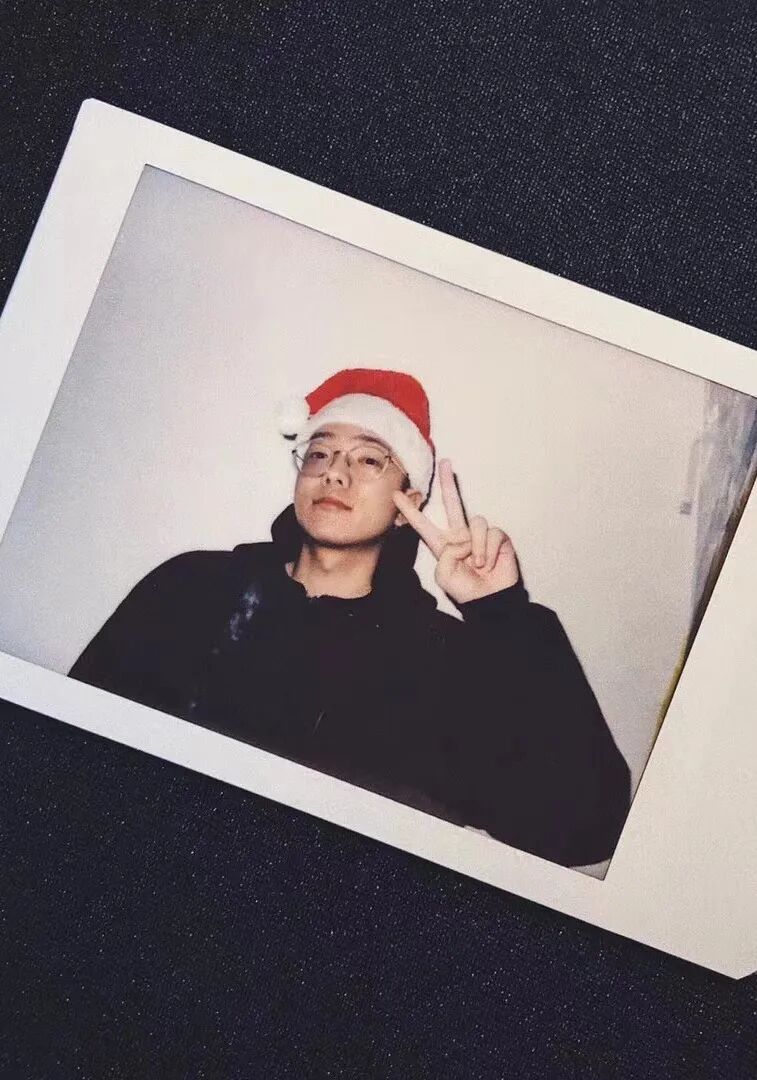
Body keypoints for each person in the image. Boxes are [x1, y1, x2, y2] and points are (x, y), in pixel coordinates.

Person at [70, 367, 631, 867]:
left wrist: (502, 616)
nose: (334, 474)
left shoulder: (442, 662)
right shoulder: (191, 589)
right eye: (319, 453)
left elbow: (583, 828)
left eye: (368, 459)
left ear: (408, 504)